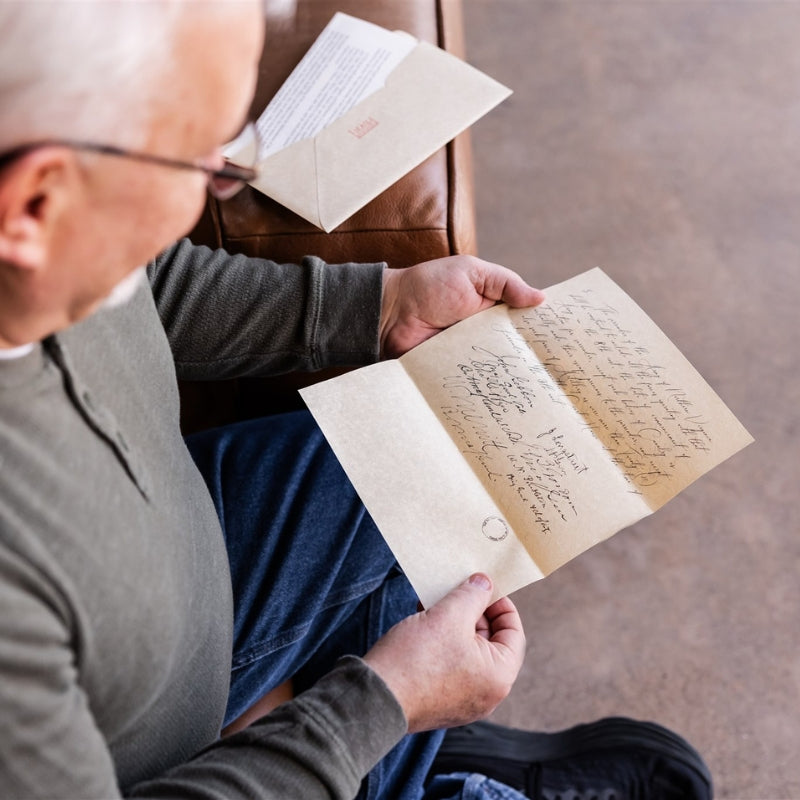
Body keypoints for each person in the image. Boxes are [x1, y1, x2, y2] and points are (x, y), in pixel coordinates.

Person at [0, 2, 712, 798]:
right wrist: (382, 703)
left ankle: (364, 747)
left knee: (454, 445)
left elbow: (142, 284)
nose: (215, 189)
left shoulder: (37, 225)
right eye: (208, 163)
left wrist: (377, 305)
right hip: (141, 743)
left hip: (179, 559)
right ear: (36, 203)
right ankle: (414, 770)